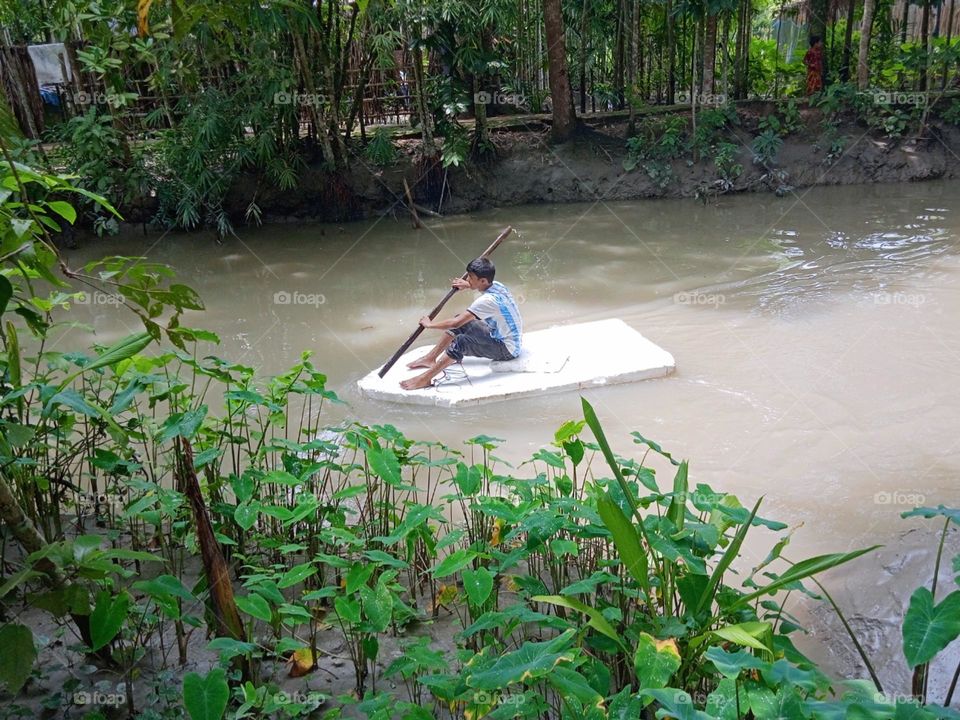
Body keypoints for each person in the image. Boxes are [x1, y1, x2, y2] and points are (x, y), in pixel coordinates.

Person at [400, 257, 522, 391]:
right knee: (462, 320)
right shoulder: (497, 285)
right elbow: (461, 318)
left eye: (470, 277)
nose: (467, 279)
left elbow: (456, 323)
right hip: (502, 337)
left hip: (507, 350)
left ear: (482, 280)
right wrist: (468, 285)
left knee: (461, 341)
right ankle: (430, 358)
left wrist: (430, 325)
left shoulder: (487, 301)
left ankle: (425, 379)